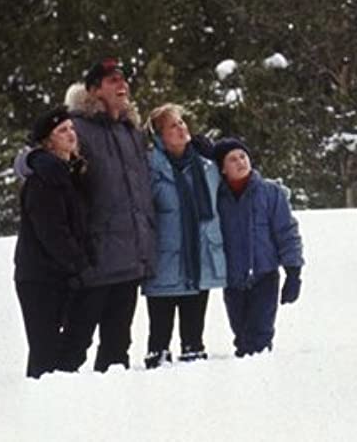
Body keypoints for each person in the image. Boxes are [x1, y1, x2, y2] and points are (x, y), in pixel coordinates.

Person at [60, 57, 155, 371]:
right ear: (93, 90)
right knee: (75, 346)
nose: (122, 85)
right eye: (112, 80)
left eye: (123, 79)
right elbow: (37, 155)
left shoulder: (131, 131)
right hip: (94, 260)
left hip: (130, 259)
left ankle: (111, 414)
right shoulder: (77, 127)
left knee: (118, 348)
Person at [143, 103, 226, 367]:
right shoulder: (149, 171)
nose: (181, 128)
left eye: (181, 122)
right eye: (172, 126)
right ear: (159, 136)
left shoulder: (208, 167)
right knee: (158, 343)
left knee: (194, 344)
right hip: (164, 261)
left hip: (199, 258)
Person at [12, 107, 91, 378]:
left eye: (71, 128)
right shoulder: (45, 178)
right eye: (62, 131)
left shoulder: (70, 172)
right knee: (44, 352)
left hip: (61, 274)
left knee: (68, 349)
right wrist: (78, 262)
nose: (71, 134)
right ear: (48, 141)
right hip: (40, 276)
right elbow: (51, 230)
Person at [213, 137, 304, 357]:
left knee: (260, 338)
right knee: (242, 337)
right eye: (232, 159)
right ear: (223, 169)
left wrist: (293, 272)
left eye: (243, 156)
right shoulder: (217, 197)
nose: (240, 162)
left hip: (264, 275)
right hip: (233, 280)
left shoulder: (270, 193)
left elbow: (286, 232)